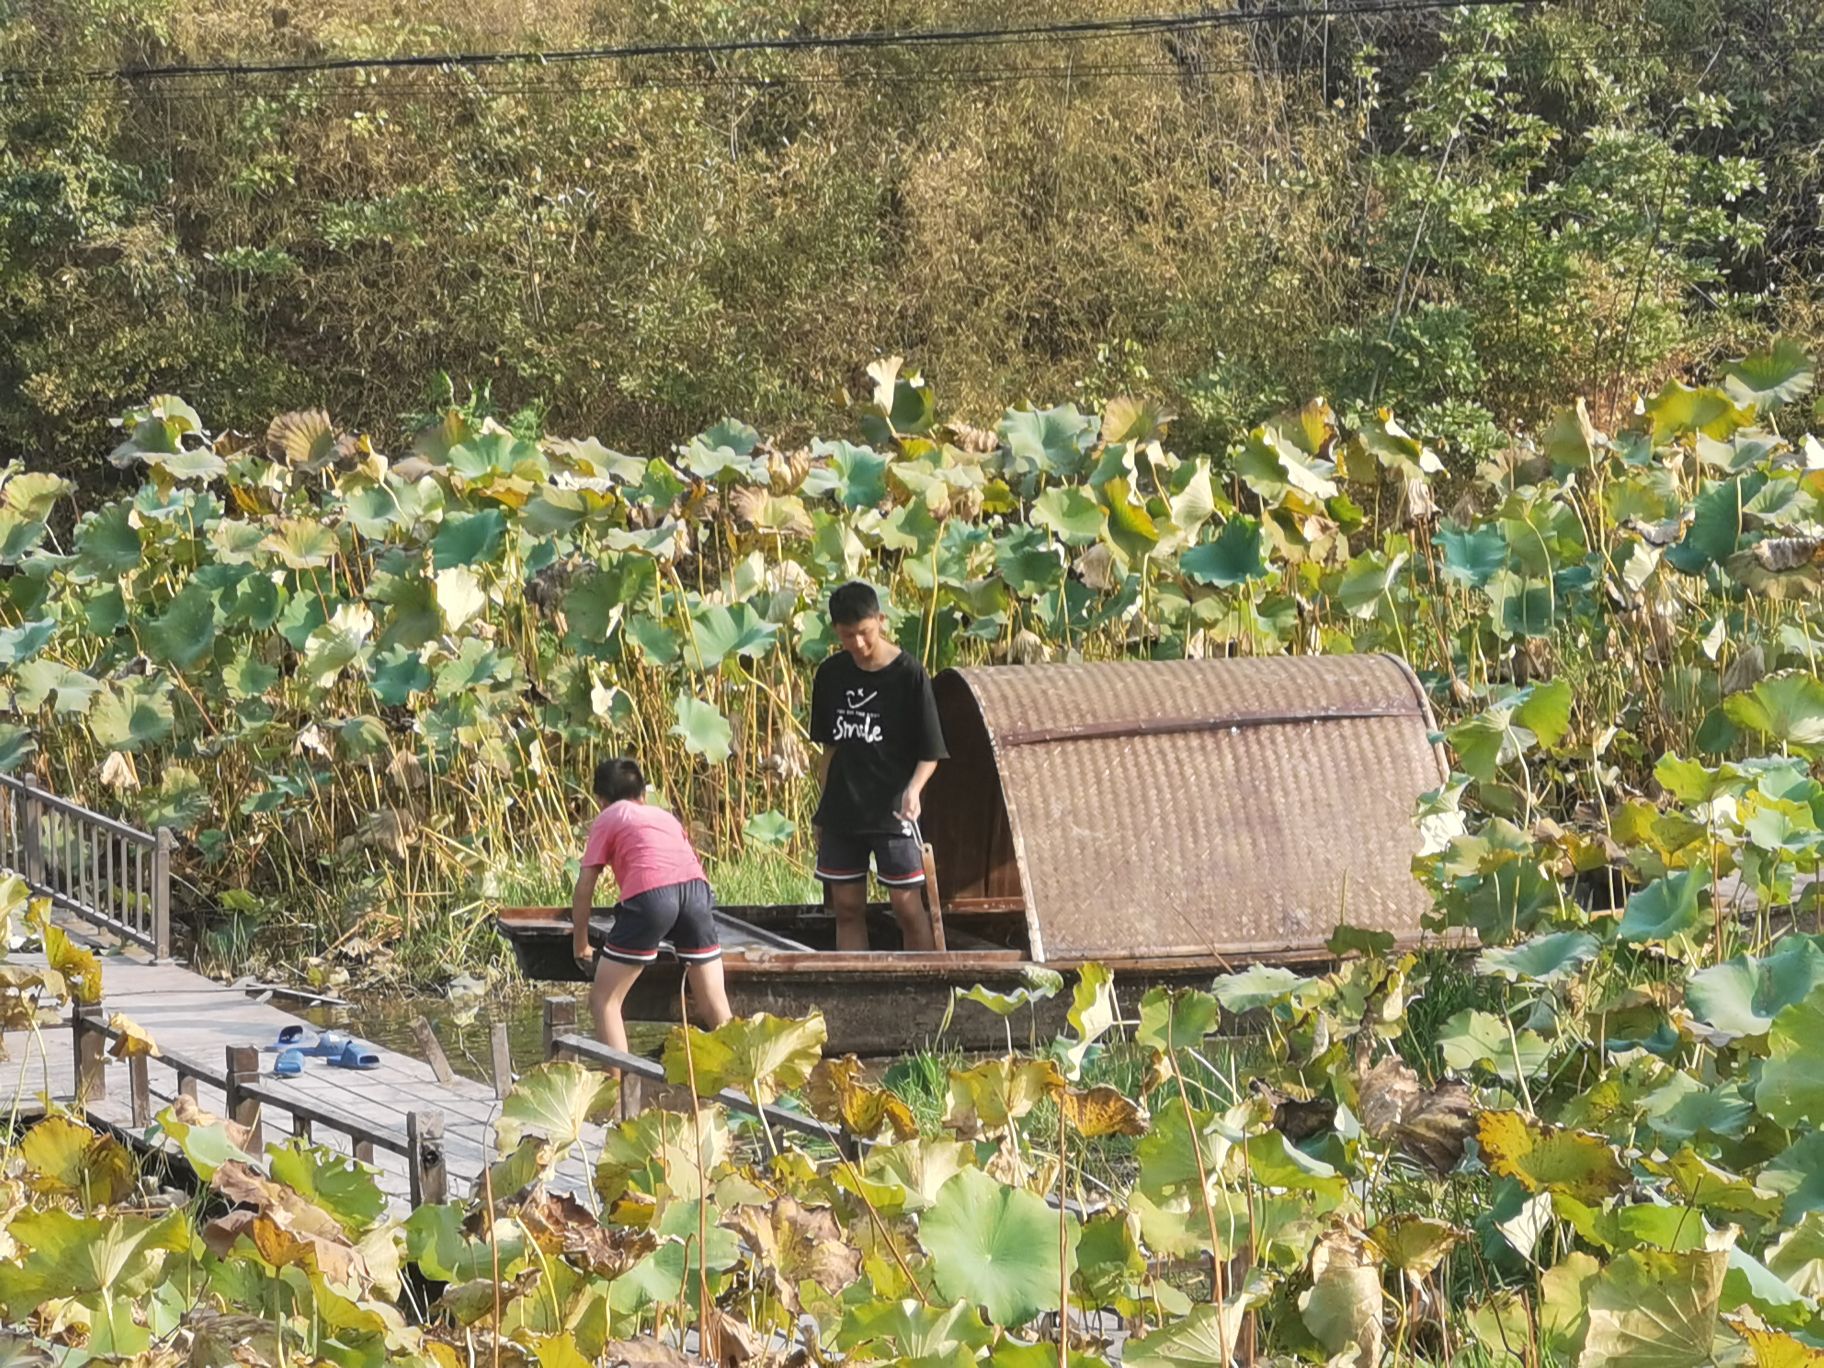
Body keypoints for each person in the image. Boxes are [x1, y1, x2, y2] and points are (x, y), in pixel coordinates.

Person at [810, 581, 948, 951]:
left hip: (894, 809)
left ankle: (921, 986)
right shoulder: (830, 675)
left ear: (881, 621)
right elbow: (830, 749)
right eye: (847, 636)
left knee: (905, 905)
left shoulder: (909, 675)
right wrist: (822, 810)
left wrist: (914, 789)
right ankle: (854, 986)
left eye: (864, 633)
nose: (857, 644)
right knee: (847, 906)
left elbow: (931, 751)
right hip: (844, 808)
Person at [570, 757, 733, 1050]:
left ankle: (621, 1093)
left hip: (651, 897)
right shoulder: (666, 817)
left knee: (604, 1002)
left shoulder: (608, 817)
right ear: (643, 796)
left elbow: (585, 887)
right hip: (697, 893)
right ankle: (746, 1089)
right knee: (715, 1004)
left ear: (600, 800)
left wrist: (580, 944)